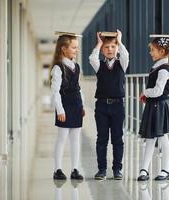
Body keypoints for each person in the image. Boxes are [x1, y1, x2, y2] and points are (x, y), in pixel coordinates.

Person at [137, 34, 169, 181]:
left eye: (153, 50)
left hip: (159, 106)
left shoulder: (163, 69)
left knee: (162, 138)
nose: (150, 52)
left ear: (162, 52)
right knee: (150, 138)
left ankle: (165, 170)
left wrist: (145, 92)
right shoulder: (158, 67)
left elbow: (158, 91)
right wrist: (147, 95)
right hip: (153, 105)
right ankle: (144, 169)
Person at [89, 29, 129, 180]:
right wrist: (99, 43)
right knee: (102, 139)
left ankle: (117, 170)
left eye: (113, 47)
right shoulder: (99, 65)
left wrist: (119, 40)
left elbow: (125, 55)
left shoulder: (122, 64)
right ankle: (102, 170)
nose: (110, 49)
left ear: (117, 48)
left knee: (118, 138)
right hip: (101, 107)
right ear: (102, 50)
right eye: (106, 47)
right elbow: (92, 57)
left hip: (118, 106)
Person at [51, 32, 85, 180]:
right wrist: (60, 109)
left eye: (77, 47)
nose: (76, 50)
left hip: (76, 105)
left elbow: (78, 87)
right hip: (64, 106)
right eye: (73, 47)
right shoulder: (58, 68)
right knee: (62, 138)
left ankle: (75, 169)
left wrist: (82, 105)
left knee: (75, 138)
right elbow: (55, 91)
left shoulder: (76, 67)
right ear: (64, 49)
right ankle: (57, 169)